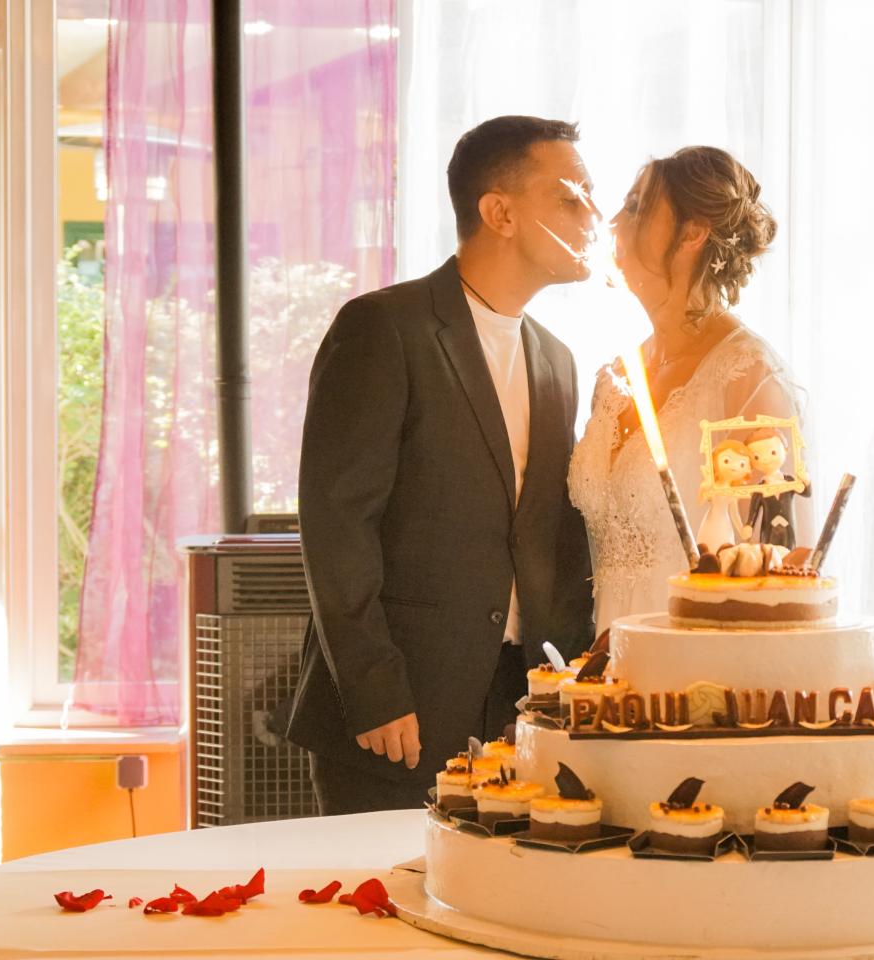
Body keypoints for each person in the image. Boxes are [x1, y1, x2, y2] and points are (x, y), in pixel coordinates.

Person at [285, 116, 597, 815]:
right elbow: (337, 526)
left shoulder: (558, 362)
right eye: (573, 197)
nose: (593, 218)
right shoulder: (383, 328)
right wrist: (374, 689)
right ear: (500, 212)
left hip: (518, 712)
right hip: (397, 715)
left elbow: (543, 533)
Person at [569, 146, 809, 629]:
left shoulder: (747, 378)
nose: (613, 221)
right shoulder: (614, 379)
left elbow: (775, 579)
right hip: (609, 666)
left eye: (636, 207)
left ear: (694, 231)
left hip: (699, 666)